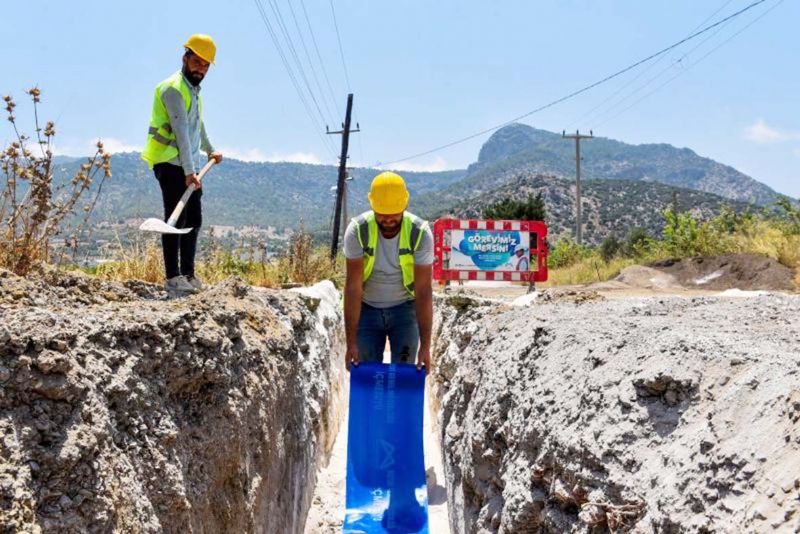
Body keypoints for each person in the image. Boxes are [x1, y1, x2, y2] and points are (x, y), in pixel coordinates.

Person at [141, 34, 223, 296]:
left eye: (205, 65)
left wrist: (210, 150)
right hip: (170, 163)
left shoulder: (193, 91)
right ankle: (172, 277)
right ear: (185, 58)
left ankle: (188, 274)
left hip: (188, 165)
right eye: (197, 62)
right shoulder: (174, 89)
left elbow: (197, 126)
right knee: (175, 221)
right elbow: (180, 133)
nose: (201, 68)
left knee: (194, 219)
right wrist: (189, 172)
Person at [343, 172, 434, 372]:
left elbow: (424, 290)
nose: (388, 220)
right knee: (365, 373)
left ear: (405, 206)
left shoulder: (420, 233)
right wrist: (350, 343)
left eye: (394, 213)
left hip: (405, 310)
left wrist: (426, 347)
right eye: (382, 214)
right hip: (367, 309)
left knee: (403, 374)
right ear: (372, 206)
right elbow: (352, 287)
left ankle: (399, 405)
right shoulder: (358, 230)